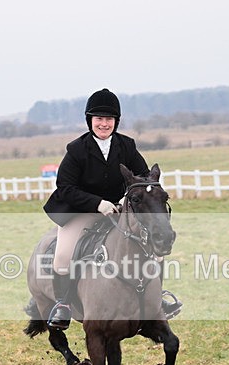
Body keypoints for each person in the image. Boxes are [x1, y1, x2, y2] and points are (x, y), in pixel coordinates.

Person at [42, 88, 182, 329]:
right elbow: (65, 187)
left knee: (155, 248)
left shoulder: (126, 145)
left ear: (116, 121)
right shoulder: (76, 150)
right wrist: (98, 204)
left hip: (119, 210)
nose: (104, 124)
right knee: (63, 255)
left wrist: (137, 198)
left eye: (109, 119)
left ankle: (156, 299)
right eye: (99, 119)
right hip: (82, 211)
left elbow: (144, 178)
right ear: (90, 121)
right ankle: (64, 305)